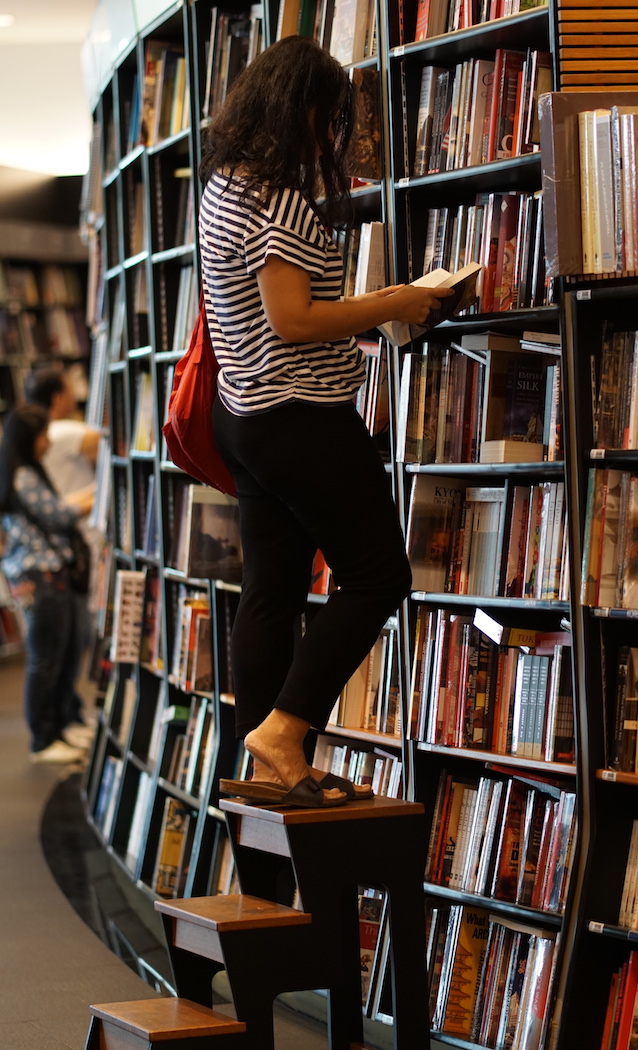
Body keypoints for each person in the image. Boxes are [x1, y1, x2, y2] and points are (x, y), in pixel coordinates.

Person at [200, 36, 455, 807]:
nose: (332, 134)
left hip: (244, 416)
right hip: (301, 417)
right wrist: (396, 302)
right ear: (299, 109)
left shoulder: (224, 185)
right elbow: (294, 319)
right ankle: (285, 732)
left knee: (271, 592)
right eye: (329, 116)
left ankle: (265, 774)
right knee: (378, 575)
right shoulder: (277, 198)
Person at [0, 404, 94, 763]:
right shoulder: (22, 476)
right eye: (42, 435)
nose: (47, 443)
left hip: (45, 576)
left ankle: (58, 728)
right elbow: (57, 515)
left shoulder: (21, 473)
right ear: (28, 438)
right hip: (41, 577)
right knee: (46, 660)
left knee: (59, 656)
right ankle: (43, 739)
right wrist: (94, 496)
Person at [24, 366, 100, 742]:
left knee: (65, 647)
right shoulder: (65, 433)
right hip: (61, 559)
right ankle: (49, 732)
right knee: (59, 650)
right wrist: (98, 493)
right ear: (57, 397)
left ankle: (65, 720)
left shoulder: (30, 458)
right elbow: (57, 512)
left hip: (62, 558)